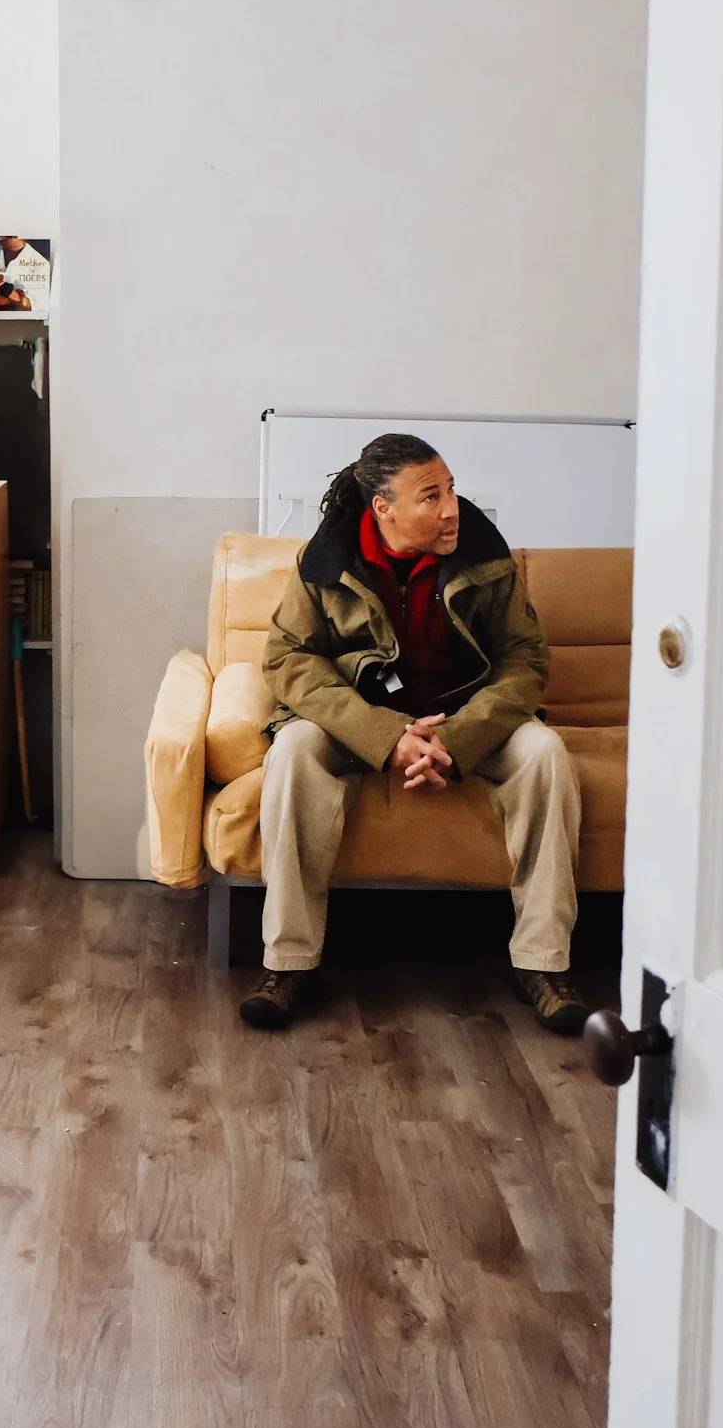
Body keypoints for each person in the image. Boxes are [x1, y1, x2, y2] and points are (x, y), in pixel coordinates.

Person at [240, 432, 587, 1035]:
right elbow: (288, 659)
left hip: (467, 718)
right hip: (362, 719)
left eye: (452, 489)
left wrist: (456, 740)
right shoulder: (325, 561)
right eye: (431, 496)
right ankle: (290, 964)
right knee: (293, 751)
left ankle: (544, 962)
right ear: (384, 509)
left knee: (546, 754)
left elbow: (524, 661)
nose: (451, 507)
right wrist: (385, 734)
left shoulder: (484, 554)